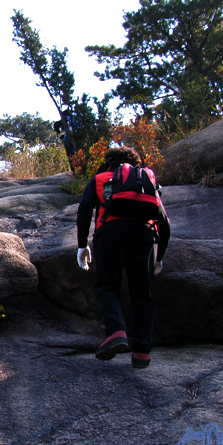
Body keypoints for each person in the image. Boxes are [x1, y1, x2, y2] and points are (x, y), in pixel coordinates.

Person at [75, 146, 171, 368]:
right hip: (145, 237)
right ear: (136, 164)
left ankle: (117, 331)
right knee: (142, 296)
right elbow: (164, 223)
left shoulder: (101, 179)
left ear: (109, 163)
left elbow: (84, 210)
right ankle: (142, 353)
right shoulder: (146, 181)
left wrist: (82, 246)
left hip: (110, 234)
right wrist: (159, 256)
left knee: (108, 287)